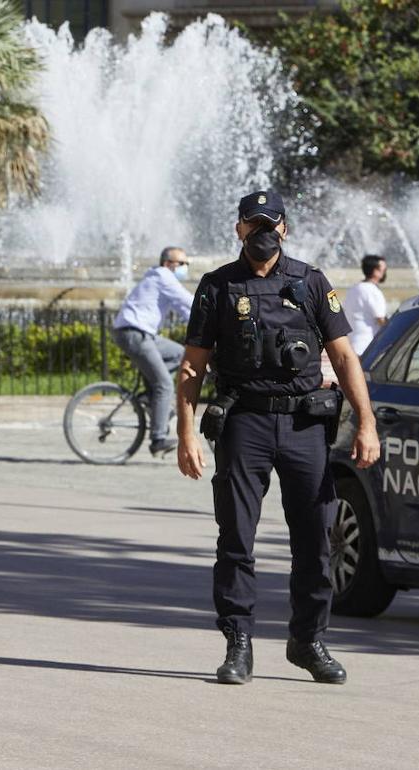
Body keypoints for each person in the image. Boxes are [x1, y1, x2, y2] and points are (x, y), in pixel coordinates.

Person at [175, 190, 380, 686]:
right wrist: (187, 435)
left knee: (316, 538)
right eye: (254, 223)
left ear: (285, 228)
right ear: (239, 229)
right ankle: (238, 642)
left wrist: (366, 422)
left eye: (271, 223)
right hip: (244, 423)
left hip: (305, 426)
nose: (263, 232)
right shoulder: (218, 286)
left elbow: (347, 357)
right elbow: (192, 365)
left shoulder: (310, 282)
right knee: (237, 537)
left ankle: (308, 641)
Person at [112, 246, 194, 455]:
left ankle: (150, 399)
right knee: (165, 385)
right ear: (168, 264)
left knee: (181, 354)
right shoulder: (163, 276)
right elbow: (189, 302)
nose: (186, 268)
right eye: (182, 263)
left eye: (187, 264)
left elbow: (186, 312)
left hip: (143, 334)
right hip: (134, 332)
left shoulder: (163, 280)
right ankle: (158, 439)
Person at [341, 254, 387, 355]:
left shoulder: (353, 289)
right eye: (383, 270)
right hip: (368, 346)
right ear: (375, 271)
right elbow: (381, 320)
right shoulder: (373, 291)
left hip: (353, 346)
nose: (384, 273)